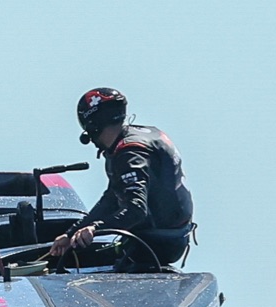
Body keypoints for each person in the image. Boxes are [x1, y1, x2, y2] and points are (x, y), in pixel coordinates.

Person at [48, 87, 194, 272]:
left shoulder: (129, 153)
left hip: (157, 244)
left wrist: (95, 228)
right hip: (174, 234)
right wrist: (71, 233)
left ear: (93, 126)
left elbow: (136, 209)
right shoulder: (140, 135)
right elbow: (112, 197)